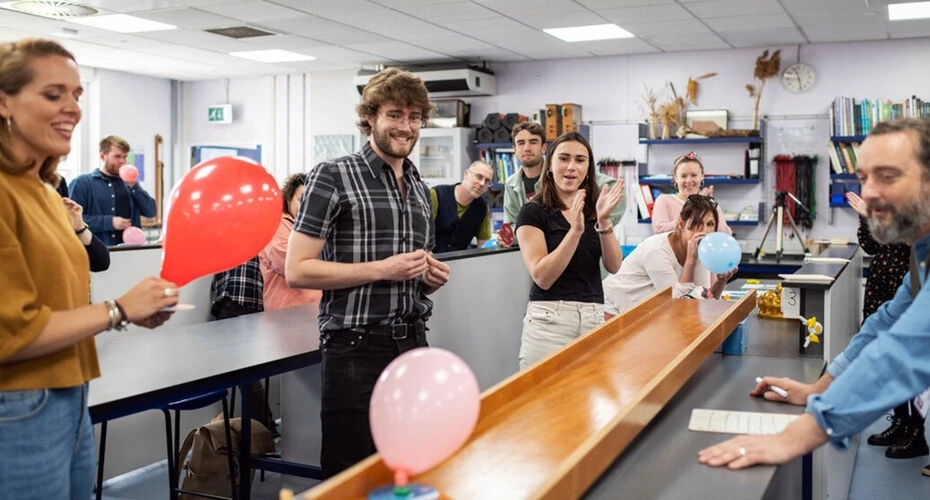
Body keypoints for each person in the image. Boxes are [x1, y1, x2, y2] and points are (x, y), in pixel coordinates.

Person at [698, 118, 930, 476]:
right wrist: (818, 389)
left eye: (888, 176)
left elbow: (903, 350)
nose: (867, 193)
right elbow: (885, 322)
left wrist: (799, 434)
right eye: (864, 178)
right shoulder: (922, 251)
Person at [0, 38, 178, 500]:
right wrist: (118, 310)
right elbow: (10, 333)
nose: (73, 108)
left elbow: (63, 295)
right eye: (54, 94)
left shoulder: (40, 189)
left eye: (77, 95)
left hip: (68, 392)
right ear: (4, 102)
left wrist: (130, 312)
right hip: (17, 404)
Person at [284, 67, 451, 478]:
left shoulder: (417, 185)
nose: (406, 127)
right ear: (370, 117)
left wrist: (427, 277)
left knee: (409, 465)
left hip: (412, 340)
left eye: (415, 118)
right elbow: (297, 270)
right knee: (352, 471)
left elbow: (408, 272)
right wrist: (382, 269)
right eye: (395, 114)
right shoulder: (332, 175)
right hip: (354, 348)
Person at [514, 131, 624, 370]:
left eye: (580, 160)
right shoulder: (532, 212)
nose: (571, 166)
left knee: (587, 402)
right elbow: (542, 277)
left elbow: (614, 265)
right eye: (564, 158)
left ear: (588, 170)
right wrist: (574, 231)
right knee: (541, 403)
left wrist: (604, 221)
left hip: (593, 316)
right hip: (549, 322)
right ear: (550, 166)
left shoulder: (594, 211)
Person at [846, 191, 925, 460]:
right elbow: (871, 245)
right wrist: (865, 220)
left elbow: (910, 239)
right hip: (882, 284)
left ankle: (916, 432)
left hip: (907, 281)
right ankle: (901, 422)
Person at [602, 195, 737, 317]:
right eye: (697, 223)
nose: (705, 231)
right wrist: (690, 261)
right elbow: (677, 305)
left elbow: (702, 300)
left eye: (710, 224)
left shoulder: (700, 250)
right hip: (613, 308)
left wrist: (721, 282)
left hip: (644, 312)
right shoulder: (657, 250)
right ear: (681, 224)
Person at [503, 121, 625, 246]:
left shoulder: (565, 173)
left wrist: (600, 223)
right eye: (521, 143)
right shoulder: (511, 184)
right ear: (514, 149)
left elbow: (614, 188)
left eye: (533, 142)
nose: (527, 148)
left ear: (544, 148)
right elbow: (508, 227)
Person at [68, 135, 156, 246]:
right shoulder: (82, 183)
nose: (122, 161)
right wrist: (109, 222)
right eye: (117, 157)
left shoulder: (130, 185)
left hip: (130, 253)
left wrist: (134, 186)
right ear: (102, 156)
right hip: (96, 254)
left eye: (124, 157)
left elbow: (151, 211)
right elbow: (71, 220)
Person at [259, 173, 321, 311]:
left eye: (312, 201)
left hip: (314, 310)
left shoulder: (316, 227)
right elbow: (292, 266)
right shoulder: (276, 225)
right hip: (287, 312)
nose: (307, 207)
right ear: (288, 199)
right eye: (301, 200)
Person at [651, 151, 732, 235]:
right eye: (683, 176)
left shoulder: (710, 202)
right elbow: (659, 231)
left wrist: (712, 208)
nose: (689, 181)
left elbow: (724, 234)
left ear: (702, 176)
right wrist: (692, 212)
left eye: (694, 175)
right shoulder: (664, 200)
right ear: (675, 177)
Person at [429, 160, 493, 252]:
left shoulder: (482, 207)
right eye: (479, 177)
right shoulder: (436, 195)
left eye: (487, 181)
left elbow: (484, 244)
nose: (482, 183)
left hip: (460, 262)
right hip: (430, 260)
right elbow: (422, 238)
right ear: (466, 174)